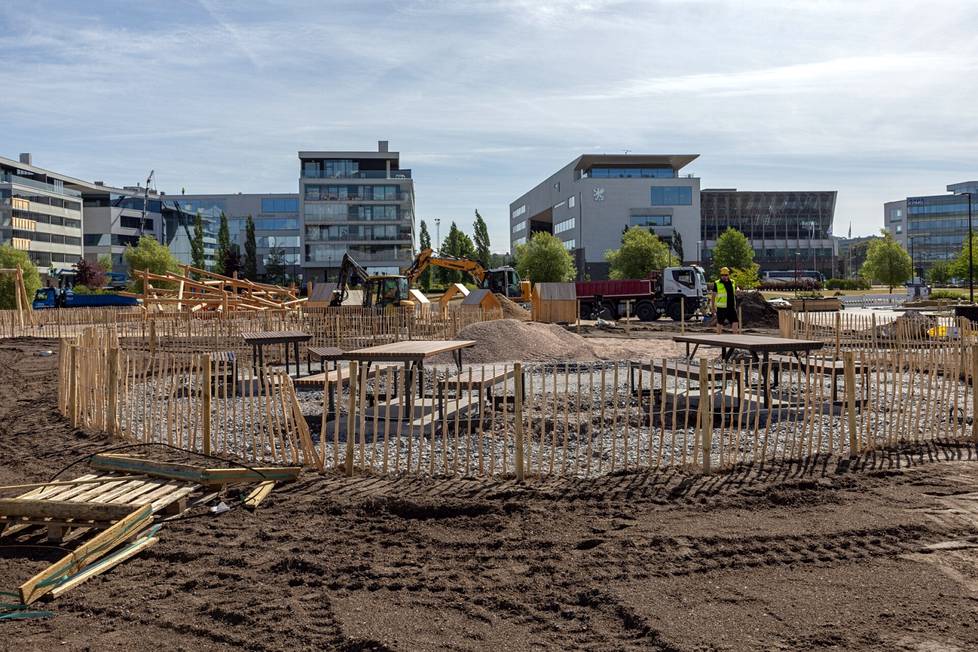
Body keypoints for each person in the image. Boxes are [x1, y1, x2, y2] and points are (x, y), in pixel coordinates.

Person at [711, 267, 740, 334]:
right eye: (722, 275)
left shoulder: (732, 282)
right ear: (720, 275)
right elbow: (713, 296)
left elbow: (736, 289)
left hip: (731, 306)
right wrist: (712, 307)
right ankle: (718, 336)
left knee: (735, 321)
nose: (724, 276)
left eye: (726, 275)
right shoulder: (717, 283)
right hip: (721, 307)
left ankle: (735, 337)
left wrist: (738, 290)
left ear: (728, 275)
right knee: (720, 322)